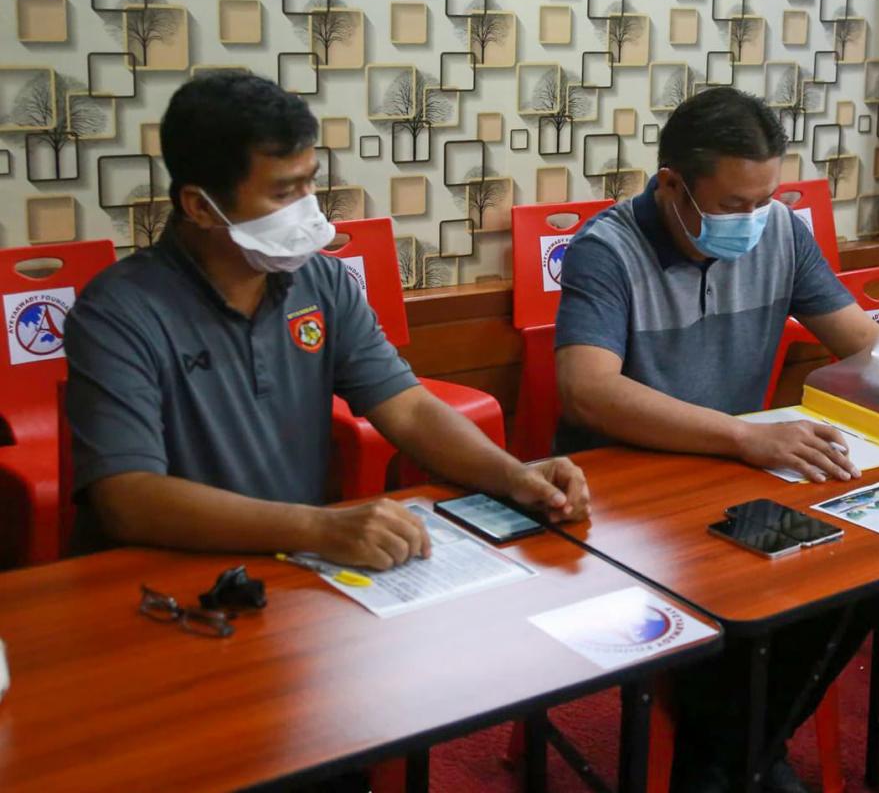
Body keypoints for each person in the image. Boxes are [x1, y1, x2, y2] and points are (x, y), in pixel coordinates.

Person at [553, 86, 879, 792]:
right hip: (625, 488)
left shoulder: (781, 231)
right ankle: (737, 759)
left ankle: (732, 757)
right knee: (743, 600)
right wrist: (740, 437)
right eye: (734, 204)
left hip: (733, 474)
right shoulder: (606, 249)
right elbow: (588, 390)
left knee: (858, 576)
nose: (754, 220)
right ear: (672, 185)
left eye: (765, 199)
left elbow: (860, 339)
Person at [66, 72, 589, 568]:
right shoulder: (118, 312)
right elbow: (126, 497)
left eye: (309, 184)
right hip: (173, 577)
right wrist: (318, 528)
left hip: (295, 566)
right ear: (199, 207)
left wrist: (513, 476)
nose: (307, 210)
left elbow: (406, 408)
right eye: (282, 193)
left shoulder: (321, 282)